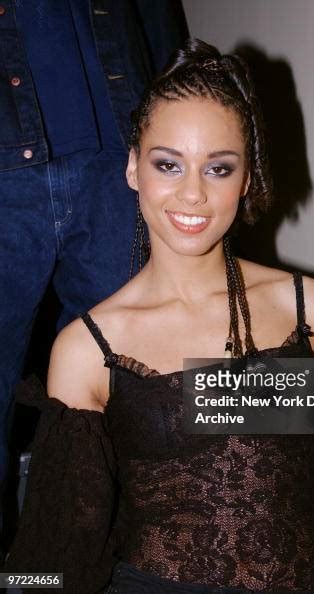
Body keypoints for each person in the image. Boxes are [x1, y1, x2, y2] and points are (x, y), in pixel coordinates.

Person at [4, 39, 314, 594]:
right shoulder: (88, 348)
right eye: (168, 164)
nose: (192, 194)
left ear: (247, 178)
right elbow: (58, 551)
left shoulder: (313, 310)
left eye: (219, 168)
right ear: (134, 168)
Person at [0, 0, 188, 515]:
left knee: (124, 384)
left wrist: (174, 126)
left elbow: (157, 22)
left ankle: (73, 562)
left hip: (116, 155)